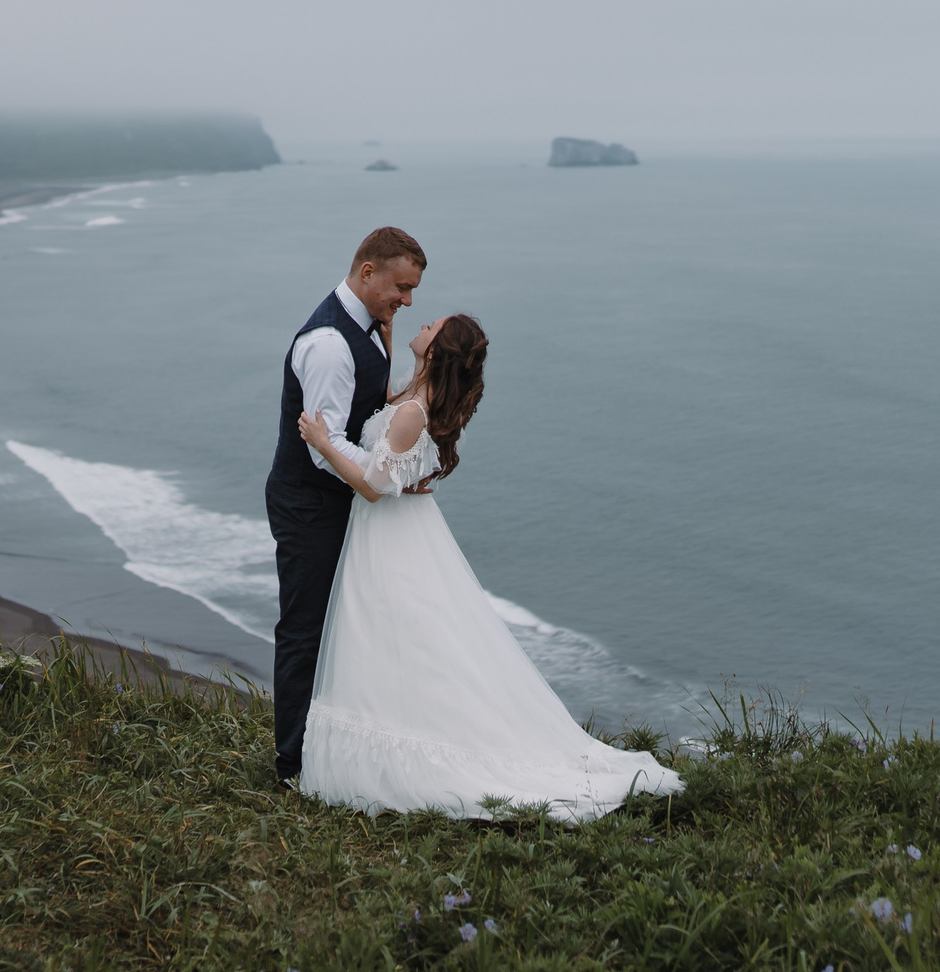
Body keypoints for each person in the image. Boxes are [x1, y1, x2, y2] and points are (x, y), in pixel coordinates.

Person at [293, 313, 684, 821]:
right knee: (394, 640)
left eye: (431, 325)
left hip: (390, 538)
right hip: (394, 531)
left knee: (394, 635)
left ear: (436, 351)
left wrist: (323, 443)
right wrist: (389, 345)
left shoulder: (413, 412)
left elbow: (372, 486)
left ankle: (415, 751)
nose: (422, 321)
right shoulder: (414, 396)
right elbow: (391, 415)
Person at [264, 226, 426, 785]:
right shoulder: (330, 344)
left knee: (348, 626)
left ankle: (334, 747)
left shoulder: (372, 327)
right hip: (308, 504)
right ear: (367, 272)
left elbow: (367, 407)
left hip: (341, 498)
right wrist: (387, 476)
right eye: (401, 287)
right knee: (305, 629)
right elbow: (322, 448)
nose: (407, 300)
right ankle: (292, 765)